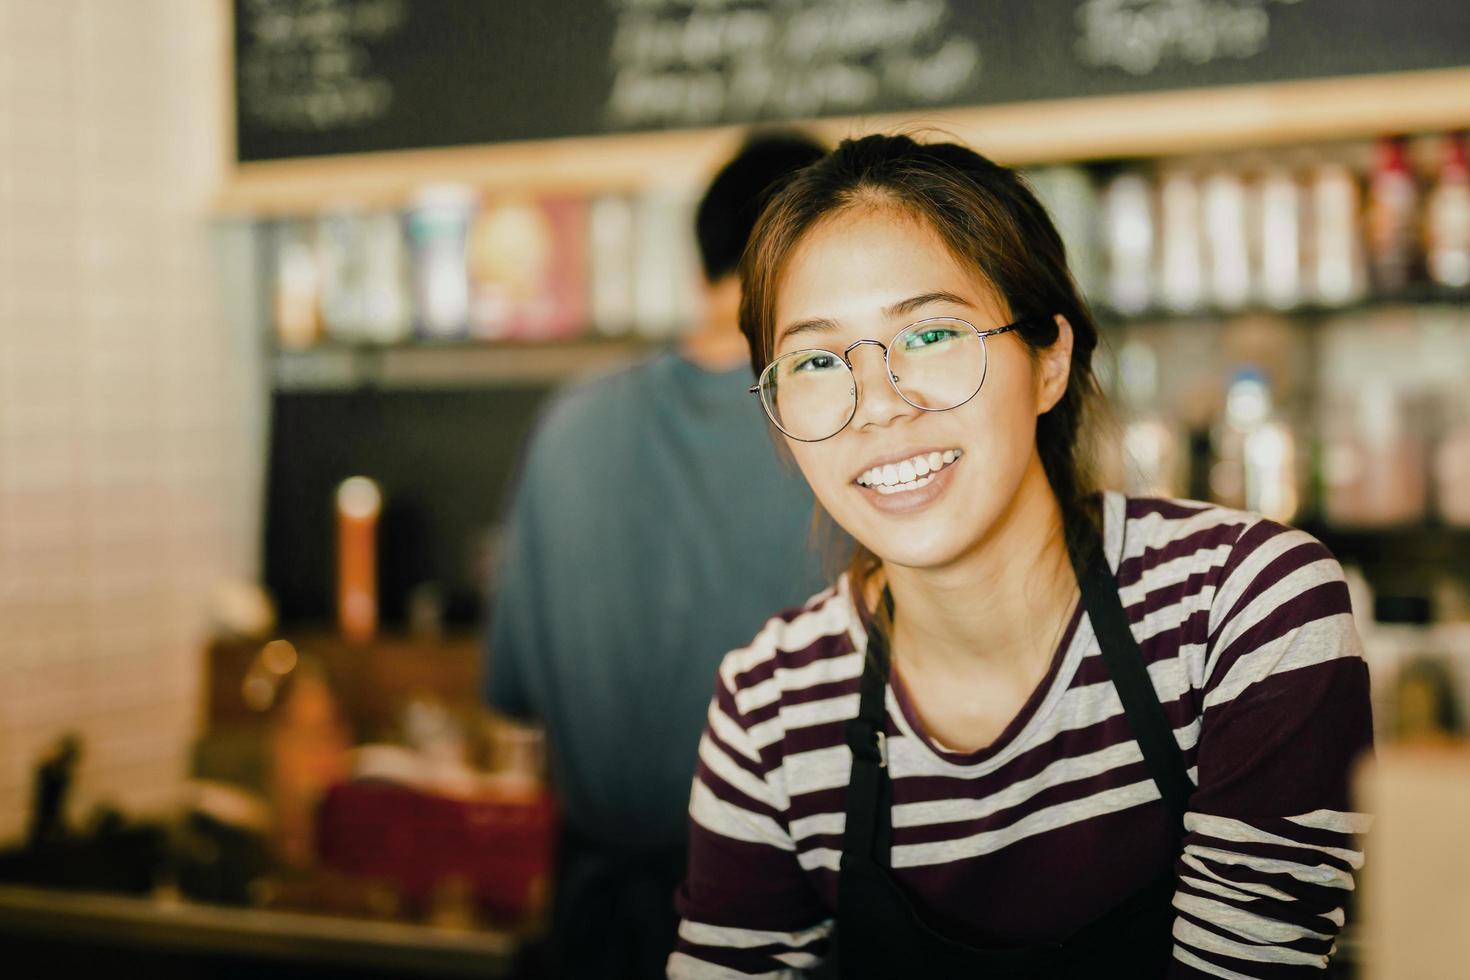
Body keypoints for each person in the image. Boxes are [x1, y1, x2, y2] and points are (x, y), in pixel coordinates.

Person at [670, 134, 1374, 978]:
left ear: (1050, 359)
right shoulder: (770, 709)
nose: (879, 408)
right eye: (818, 359)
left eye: (931, 336)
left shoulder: (1244, 611)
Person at [485, 133, 836, 979]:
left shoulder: (570, 424)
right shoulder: (837, 430)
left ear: (698, 267)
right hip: (787, 933)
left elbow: (511, 692)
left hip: (594, 931)